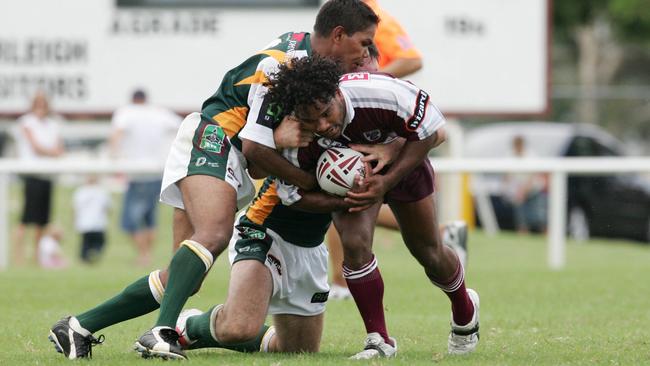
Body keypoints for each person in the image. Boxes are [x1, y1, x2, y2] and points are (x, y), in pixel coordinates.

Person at [48, 0, 379, 360]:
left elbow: (257, 158)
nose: (367, 53)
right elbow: (253, 148)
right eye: (363, 43)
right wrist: (298, 169)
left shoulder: (306, 56)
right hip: (213, 139)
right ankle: (162, 332)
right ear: (338, 35)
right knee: (215, 234)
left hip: (228, 156)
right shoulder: (284, 65)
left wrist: (278, 142)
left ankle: (78, 326)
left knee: (185, 277)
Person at [249, 55, 480, 358]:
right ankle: (379, 339)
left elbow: (433, 131)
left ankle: (465, 307)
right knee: (355, 244)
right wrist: (343, 199)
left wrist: (388, 171)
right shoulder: (295, 135)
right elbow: (293, 195)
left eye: (325, 113)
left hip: (403, 164)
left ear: (335, 92)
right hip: (352, 189)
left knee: (428, 251)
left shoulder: (380, 93)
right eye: (310, 120)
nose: (322, 125)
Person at [327, 45, 468, 300]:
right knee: (353, 237)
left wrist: (392, 148)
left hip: (407, 170)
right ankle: (374, 331)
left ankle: (462, 300)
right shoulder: (328, 102)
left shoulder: (387, 92)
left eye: (363, 62)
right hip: (362, 175)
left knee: (426, 250)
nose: (359, 68)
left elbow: (438, 132)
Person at [109, 89, 181, 267]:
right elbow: (182, 126)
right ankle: (146, 254)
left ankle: (144, 255)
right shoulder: (160, 113)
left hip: (137, 172)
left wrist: (114, 157)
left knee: (131, 220)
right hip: (157, 170)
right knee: (150, 218)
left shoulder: (126, 113)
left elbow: (116, 134)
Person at [12, 91, 65, 266]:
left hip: (47, 175)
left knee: (42, 222)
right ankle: (17, 257)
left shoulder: (53, 124)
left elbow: (59, 148)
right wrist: (52, 153)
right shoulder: (27, 122)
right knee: (25, 219)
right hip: (32, 174)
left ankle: (37, 257)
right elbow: (37, 148)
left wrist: (53, 153)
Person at [505, 135, 548, 233]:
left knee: (540, 218)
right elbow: (508, 175)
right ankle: (523, 237)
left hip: (535, 190)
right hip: (519, 192)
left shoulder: (531, 156)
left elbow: (533, 176)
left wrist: (523, 191)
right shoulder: (510, 155)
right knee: (521, 220)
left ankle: (546, 236)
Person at [73, 175, 111, 263]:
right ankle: (91, 256)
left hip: (86, 224)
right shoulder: (102, 191)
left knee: (86, 244)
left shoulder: (80, 191)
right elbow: (107, 208)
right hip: (97, 224)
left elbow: (75, 208)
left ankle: (86, 258)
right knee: (98, 243)